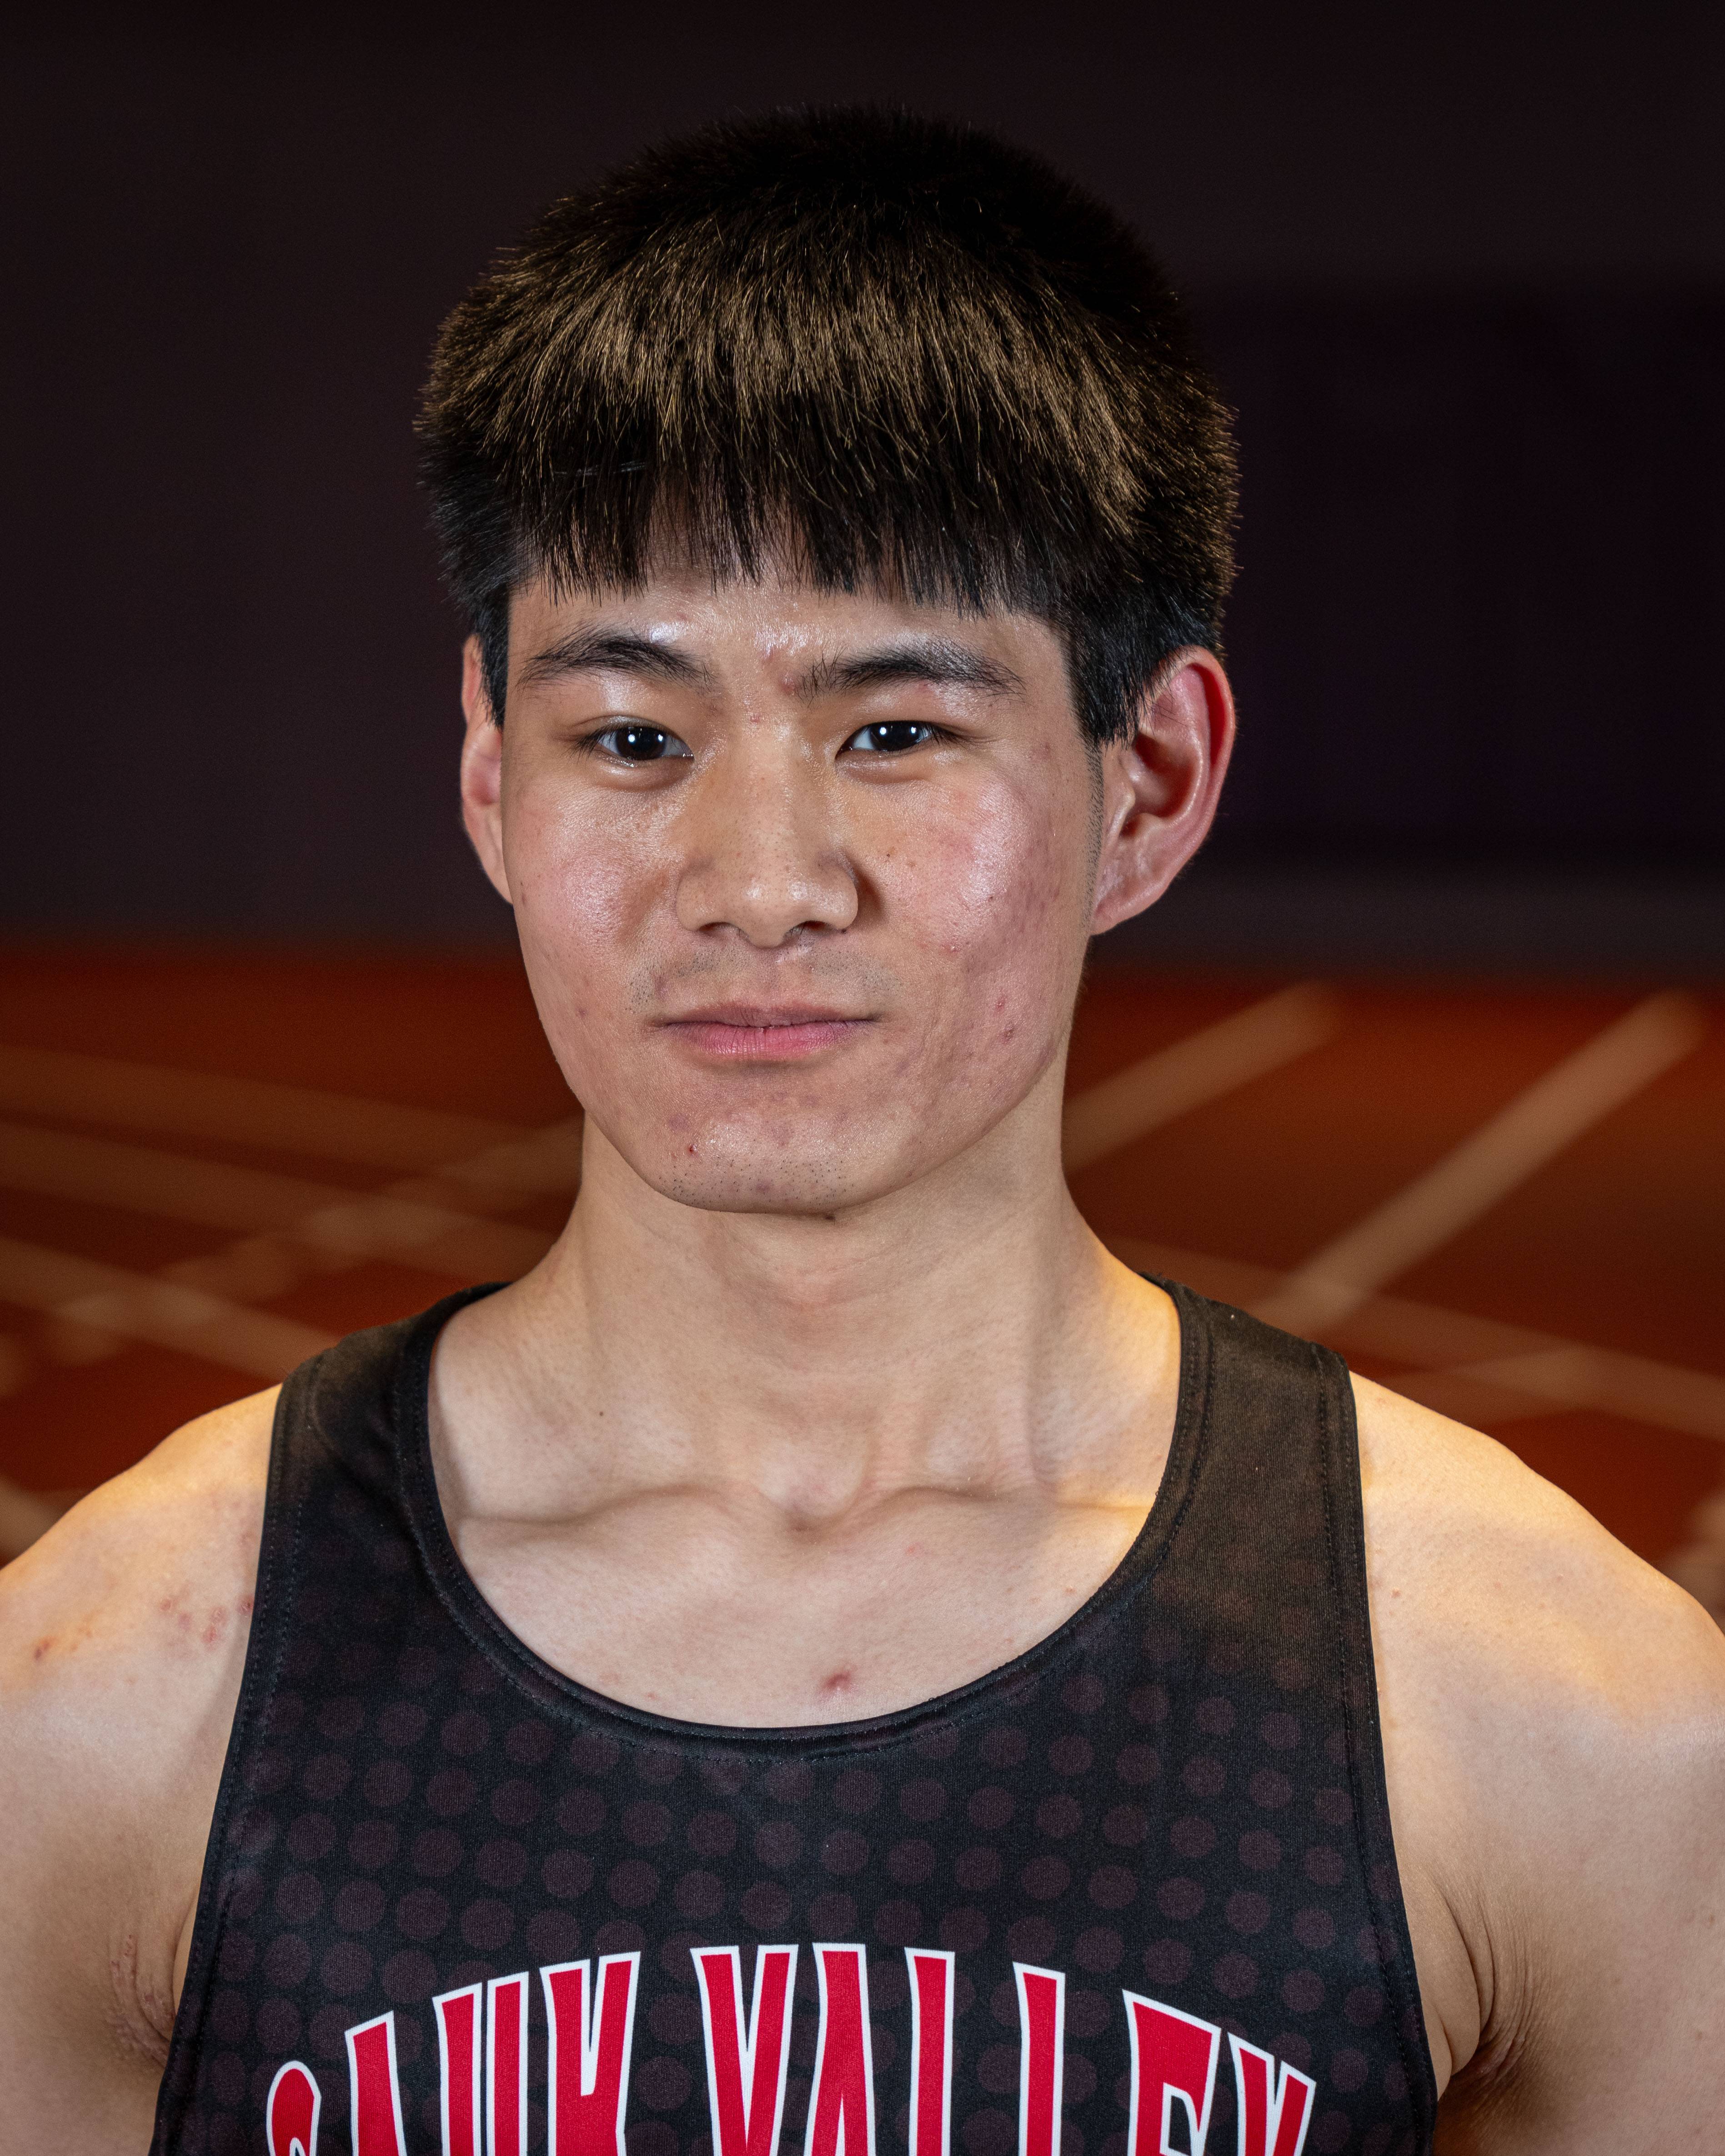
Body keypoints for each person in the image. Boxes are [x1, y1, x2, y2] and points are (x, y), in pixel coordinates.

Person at [1, 107, 1720, 2156]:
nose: (759, 881)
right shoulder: (114, 1702)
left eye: (897, 731)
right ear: (488, 780)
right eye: (630, 734)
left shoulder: (1544, 1715)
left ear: (1151, 782)